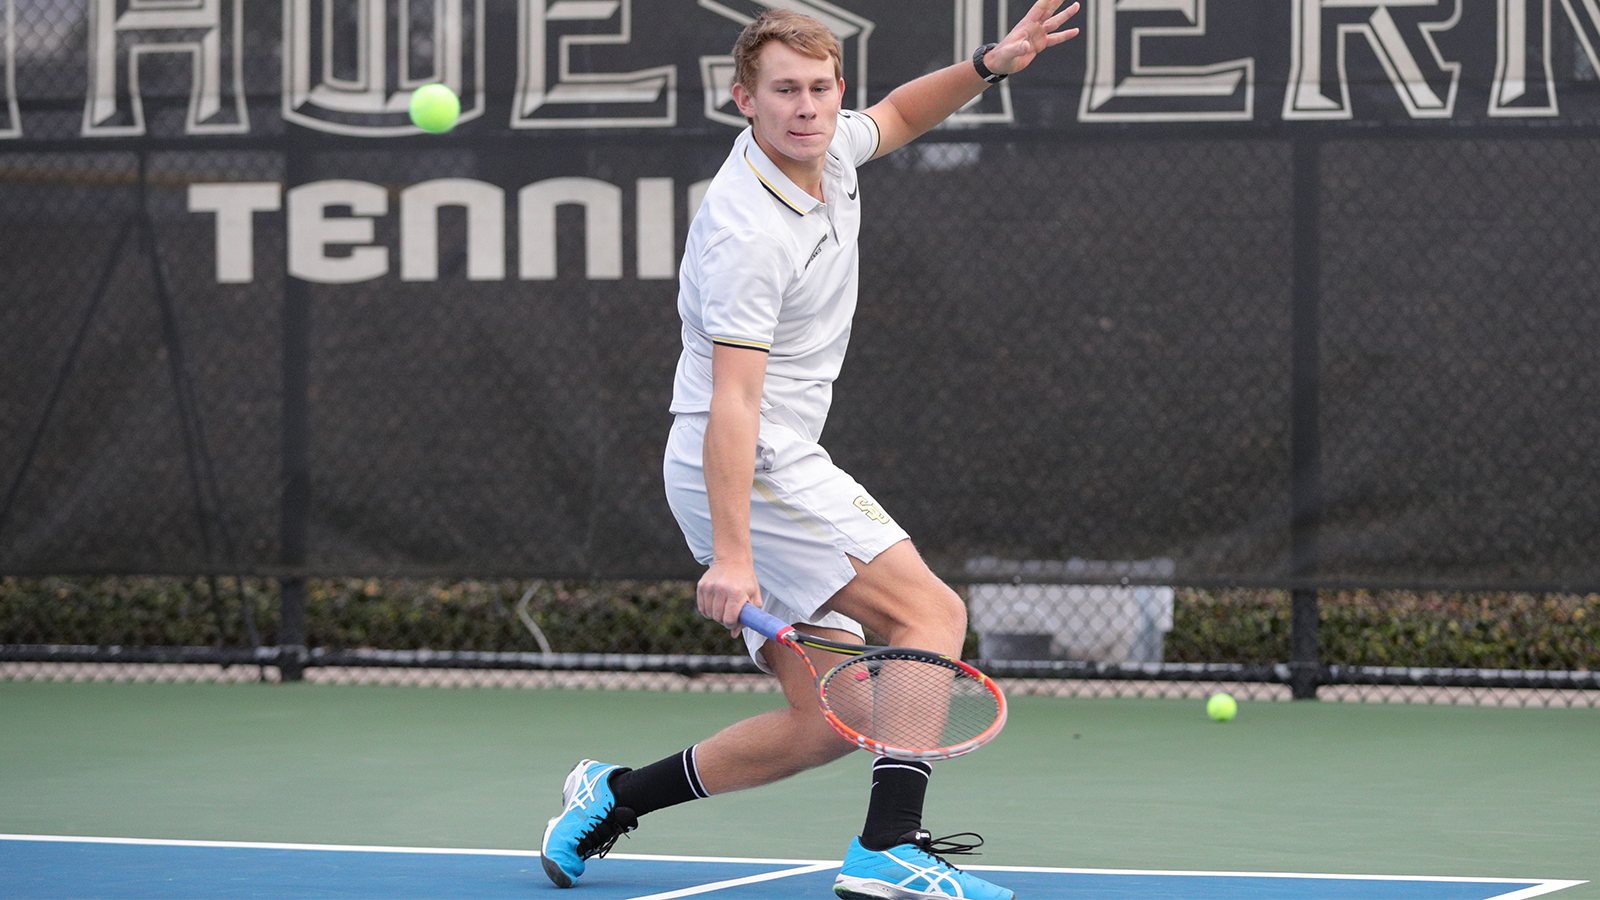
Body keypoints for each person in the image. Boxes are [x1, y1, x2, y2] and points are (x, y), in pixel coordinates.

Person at [542, 4, 1080, 898]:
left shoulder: (827, 152)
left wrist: (990, 64)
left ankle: (610, 798)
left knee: (834, 720)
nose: (806, 108)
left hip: (768, 454)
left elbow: (902, 114)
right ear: (742, 100)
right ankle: (889, 850)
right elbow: (733, 402)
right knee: (929, 616)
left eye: (821, 89)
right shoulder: (746, 232)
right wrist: (736, 556)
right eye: (784, 91)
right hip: (751, 459)